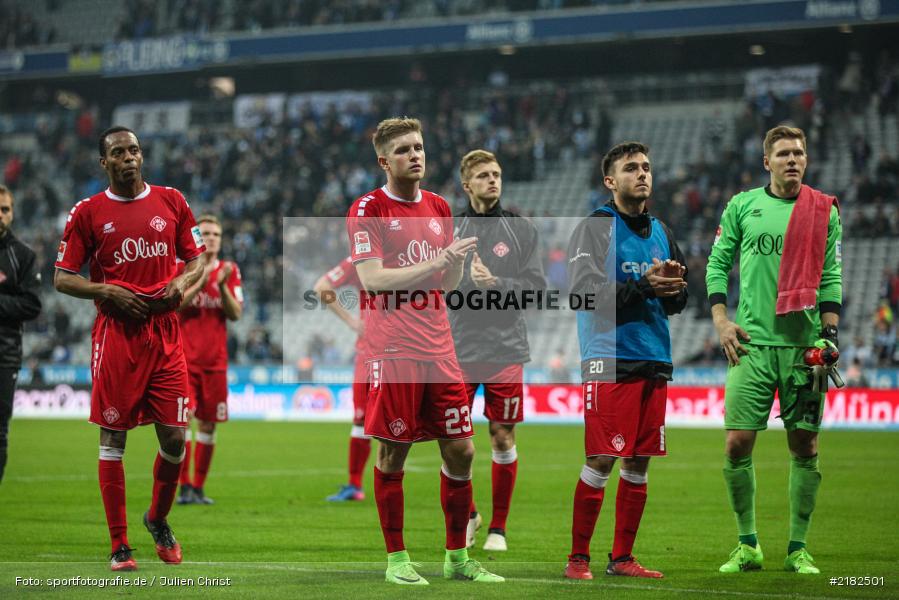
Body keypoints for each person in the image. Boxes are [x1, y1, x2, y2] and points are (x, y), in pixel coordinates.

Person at [345, 117, 503, 585]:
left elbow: (447, 285)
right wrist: (438, 261)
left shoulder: (438, 206)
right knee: (393, 453)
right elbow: (372, 279)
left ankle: (457, 558)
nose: (416, 155)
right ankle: (397, 560)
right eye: (404, 150)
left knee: (462, 450)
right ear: (383, 160)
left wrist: (456, 264)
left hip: (439, 347)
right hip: (393, 349)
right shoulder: (368, 208)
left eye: (419, 148)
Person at [54, 126, 206, 571]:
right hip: (117, 334)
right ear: (105, 163)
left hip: (165, 333)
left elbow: (196, 261)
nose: (129, 158)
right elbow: (62, 277)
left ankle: (157, 518)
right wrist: (109, 291)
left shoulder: (171, 200)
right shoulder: (88, 212)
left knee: (175, 436)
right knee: (113, 436)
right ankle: (120, 545)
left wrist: (179, 281)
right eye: (118, 152)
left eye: (134, 150)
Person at [706, 126, 842, 575]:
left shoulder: (823, 211)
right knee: (736, 443)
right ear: (767, 161)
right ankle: (748, 545)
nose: (792, 159)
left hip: (803, 349)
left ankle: (797, 547)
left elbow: (831, 277)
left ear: (806, 160)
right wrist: (722, 321)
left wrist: (830, 336)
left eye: (799, 153)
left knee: (804, 445)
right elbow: (717, 264)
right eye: (783, 153)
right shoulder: (743, 205)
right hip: (752, 345)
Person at [565, 141, 688, 580]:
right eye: (631, 168)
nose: (642, 174)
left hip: (655, 357)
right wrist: (646, 288)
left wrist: (674, 291)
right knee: (602, 459)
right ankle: (577, 558)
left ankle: (622, 558)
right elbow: (582, 293)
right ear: (610, 180)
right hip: (609, 358)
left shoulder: (661, 230)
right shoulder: (597, 226)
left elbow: (676, 299)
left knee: (638, 464)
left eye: (647, 167)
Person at [448, 149, 546, 551]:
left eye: (497, 174)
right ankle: (470, 513)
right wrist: (459, 279)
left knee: (502, 436)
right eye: (484, 175)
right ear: (467, 184)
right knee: (452, 438)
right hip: (457, 348)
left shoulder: (520, 229)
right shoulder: (447, 228)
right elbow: (433, 288)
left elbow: (538, 290)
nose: (493, 180)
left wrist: (497, 285)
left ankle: (498, 529)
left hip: (505, 349)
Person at [175, 214, 243, 505]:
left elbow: (236, 314)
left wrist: (223, 286)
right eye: (206, 233)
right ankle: (184, 487)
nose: (212, 237)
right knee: (182, 423)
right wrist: (201, 280)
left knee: (208, 425)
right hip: (183, 362)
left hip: (215, 363)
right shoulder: (183, 267)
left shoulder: (229, 270)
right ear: (197, 237)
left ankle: (199, 488)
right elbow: (174, 306)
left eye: (216, 233)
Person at [315, 256, 371, 502]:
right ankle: (355, 484)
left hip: (406, 349)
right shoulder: (361, 258)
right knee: (361, 420)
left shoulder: (412, 249)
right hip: (369, 350)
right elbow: (321, 288)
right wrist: (351, 321)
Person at [0, 184, 42, 483]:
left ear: (12, 213)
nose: (0, 215)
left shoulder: (22, 255)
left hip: (4, 354)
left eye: (4, 209)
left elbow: (32, 304)